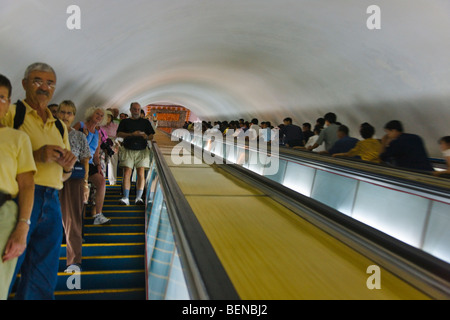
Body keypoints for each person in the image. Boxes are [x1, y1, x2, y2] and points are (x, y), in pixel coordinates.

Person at [2, 63, 77, 300]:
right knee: (8, 264)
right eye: (37, 81)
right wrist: (38, 155)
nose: (44, 87)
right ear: (24, 84)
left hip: (52, 200)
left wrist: (67, 166)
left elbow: (63, 175)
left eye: (50, 83)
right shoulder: (13, 114)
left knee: (43, 274)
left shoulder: (58, 126)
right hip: (22, 197)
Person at [0, 74, 36, 300]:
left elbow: (26, 185)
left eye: (2, 97)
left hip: (4, 214)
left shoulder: (16, 138)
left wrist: (23, 227)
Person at [57, 100, 91, 273]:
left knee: (73, 222)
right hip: (51, 178)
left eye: (69, 113)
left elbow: (85, 160)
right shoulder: (50, 132)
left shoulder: (79, 136)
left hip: (73, 181)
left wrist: (86, 184)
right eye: (62, 112)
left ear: (74, 115)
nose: (65, 116)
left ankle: (74, 262)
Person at [73, 107, 111, 225]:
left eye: (101, 116)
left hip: (89, 163)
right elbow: (69, 139)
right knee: (79, 186)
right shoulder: (80, 125)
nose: (99, 117)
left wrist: (98, 165)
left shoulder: (98, 134)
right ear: (91, 114)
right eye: (97, 114)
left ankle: (98, 215)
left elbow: (95, 153)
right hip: (77, 161)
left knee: (101, 181)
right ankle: (76, 217)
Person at [117, 102, 155, 205]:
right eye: (134, 109)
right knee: (127, 172)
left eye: (138, 109)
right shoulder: (125, 122)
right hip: (128, 149)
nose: (136, 111)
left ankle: (139, 197)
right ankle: (125, 197)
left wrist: (146, 137)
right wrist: (131, 134)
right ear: (130, 110)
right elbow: (119, 133)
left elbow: (152, 135)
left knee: (141, 173)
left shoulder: (145, 122)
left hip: (142, 150)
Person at [101, 110, 120, 186]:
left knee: (113, 162)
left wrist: (117, 145)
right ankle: (102, 180)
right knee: (103, 162)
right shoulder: (100, 126)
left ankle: (112, 181)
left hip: (113, 142)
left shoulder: (115, 125)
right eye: (106, 117)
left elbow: (119, 136)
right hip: (103, 143)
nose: (107, 118)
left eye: (109, 117)